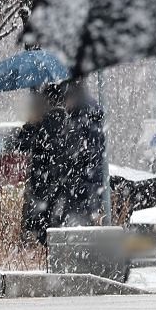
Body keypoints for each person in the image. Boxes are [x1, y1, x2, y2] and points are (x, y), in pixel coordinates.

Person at [11, 87, 67, 245]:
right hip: (53, 182)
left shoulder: (50, 120)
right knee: (49, 226)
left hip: (44, 182)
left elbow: (22, 145)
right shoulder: (63, 119)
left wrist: (31, 125)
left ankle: (42, 249)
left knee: (42, 227)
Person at [60, 80, 107, 226]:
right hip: (89, 181)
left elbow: (82, 152)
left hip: (84, 183)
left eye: (64, 100)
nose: (64, 106)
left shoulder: (80, 119)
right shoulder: (89, 113)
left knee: (80, 229)